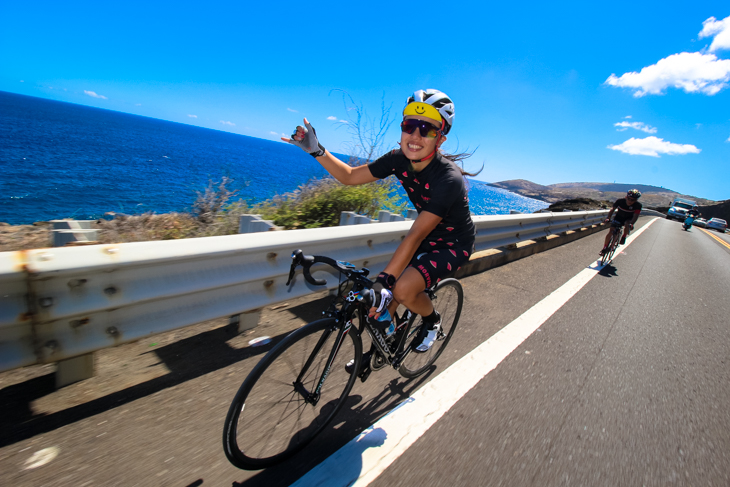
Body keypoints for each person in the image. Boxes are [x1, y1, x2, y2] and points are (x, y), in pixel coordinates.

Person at [283, 89, 476, 352]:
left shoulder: (448, 179)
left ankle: (432, 321)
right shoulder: (398, 160)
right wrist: (316, 151)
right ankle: (387, 346)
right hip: (425, 236)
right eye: (409, 126)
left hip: (453, 244)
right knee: (381, 304)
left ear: (440, 139)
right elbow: (350, 176)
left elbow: (415, 235)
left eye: (427, 130)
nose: (415, 136)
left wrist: (385, 279)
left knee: (402, 290)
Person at [599, 189, 642, 255]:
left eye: (632, 200)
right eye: (629, 198)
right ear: (626, 197)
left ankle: (624, 236)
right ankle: (605, 248)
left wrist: (632, 224)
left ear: (636, 200)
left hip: (628, 219)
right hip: (618, 217)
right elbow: (612, 209)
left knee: (627, 223)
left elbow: (635, 216)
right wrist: (608, 218)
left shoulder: (638, 205)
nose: (630, 201)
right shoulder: (620, 201)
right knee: (611, 231)